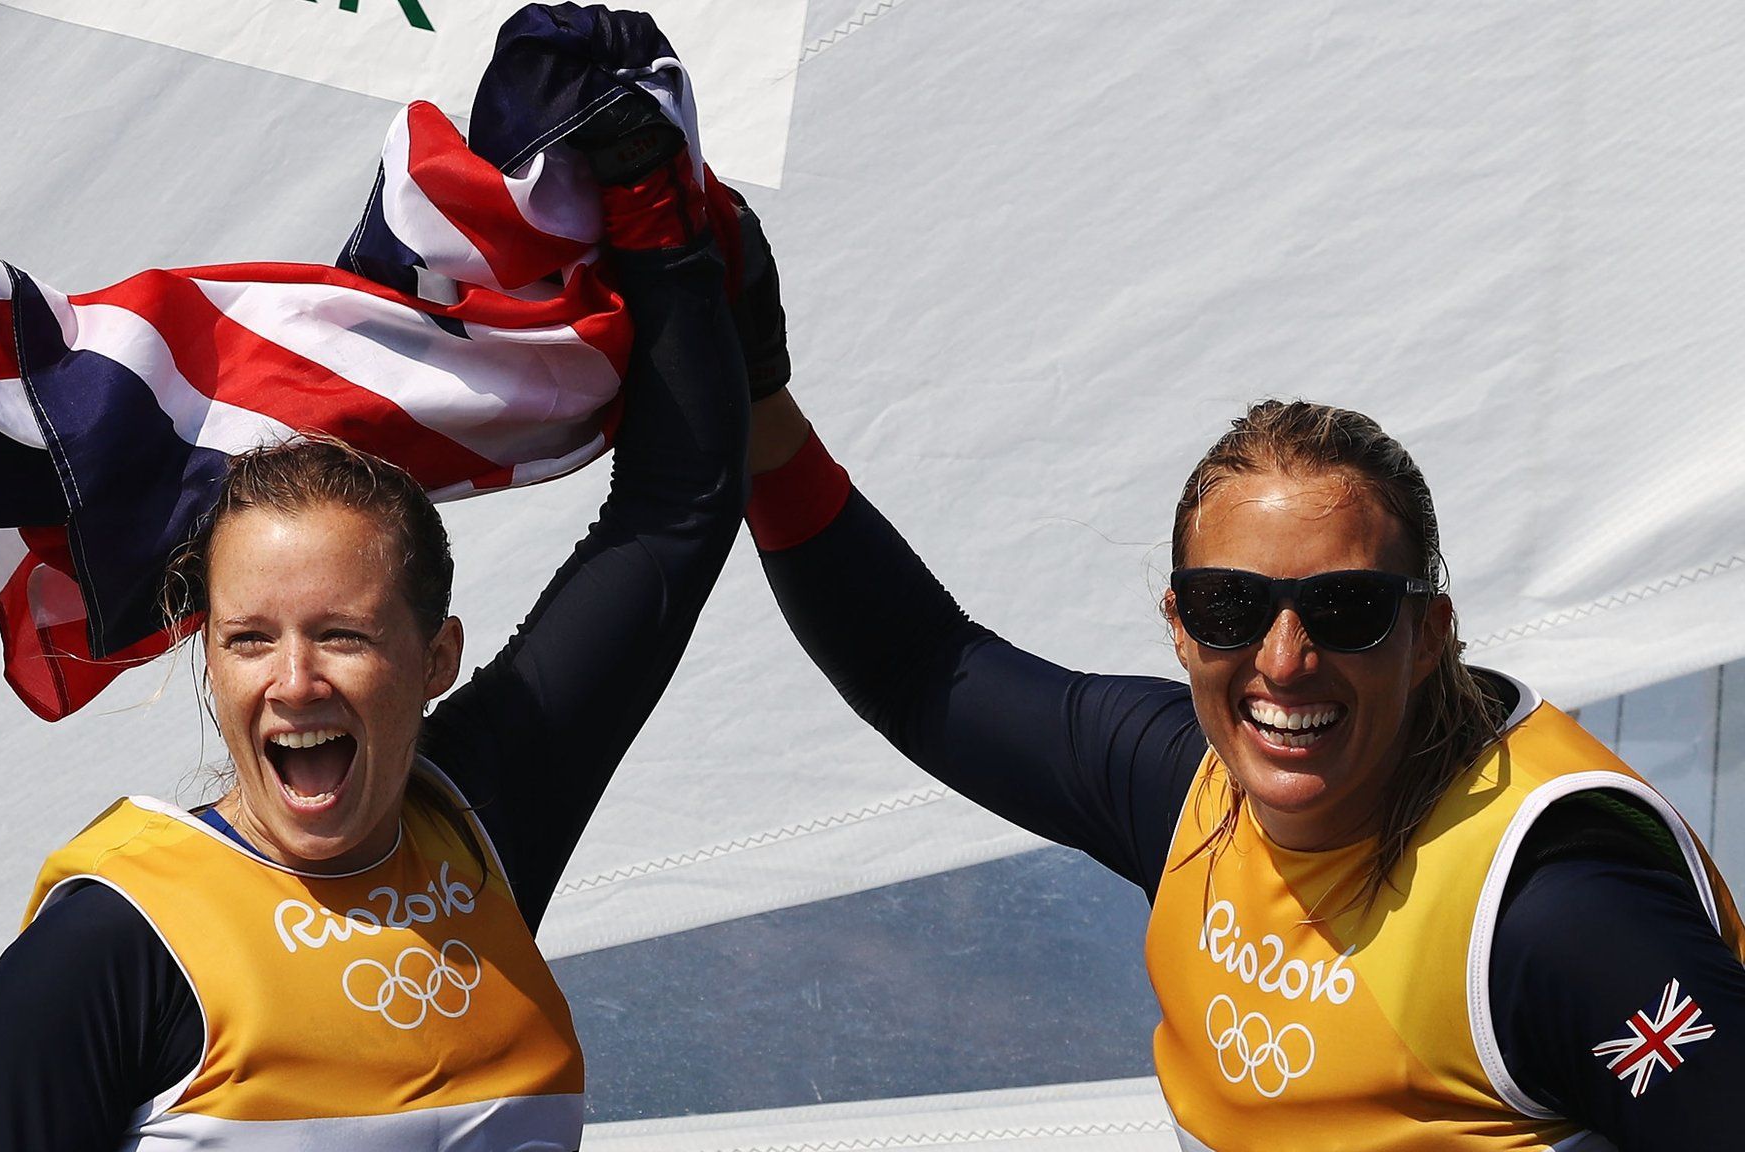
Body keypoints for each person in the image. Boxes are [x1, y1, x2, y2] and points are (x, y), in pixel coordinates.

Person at [0, 108, 752, 1149]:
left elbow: (678, 508)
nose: (294, 680)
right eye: (248, 639)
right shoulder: (109, 942)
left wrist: (648, 200)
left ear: (436, 659)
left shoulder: (483, 816)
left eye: (344, 635)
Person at [743, 380, 1745, 1146]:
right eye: (1230, 607)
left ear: (1429, 632)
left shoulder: (1558, 916)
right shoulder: (1182, 784)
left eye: (1343, 610)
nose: (1281, 662)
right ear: (1177, 626)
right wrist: (745, 394)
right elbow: (916, 667)